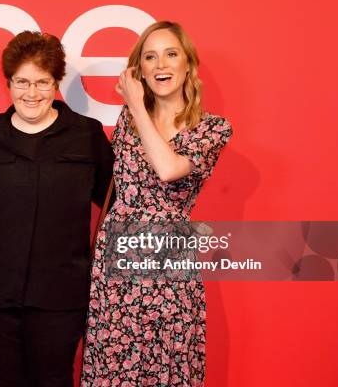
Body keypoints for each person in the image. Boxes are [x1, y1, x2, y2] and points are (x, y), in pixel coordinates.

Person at [80, 21, 233, 386]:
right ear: (140, 71)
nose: (161, 64)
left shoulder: (212, 129)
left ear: (187, 65)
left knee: (168, 364)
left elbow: (168, 169)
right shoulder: (127, 122)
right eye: (150, 57)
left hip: (169, 270)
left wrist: (135, 104)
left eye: (170, 54)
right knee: (113, 368)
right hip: (116, 268)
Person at [0, 31, 114, 387]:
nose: (31, 94)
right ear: (8, 83)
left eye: (42, 82)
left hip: (61, 296)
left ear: (56, 83)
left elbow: (117, 204)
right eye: (22, 82)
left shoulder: (86, 135)